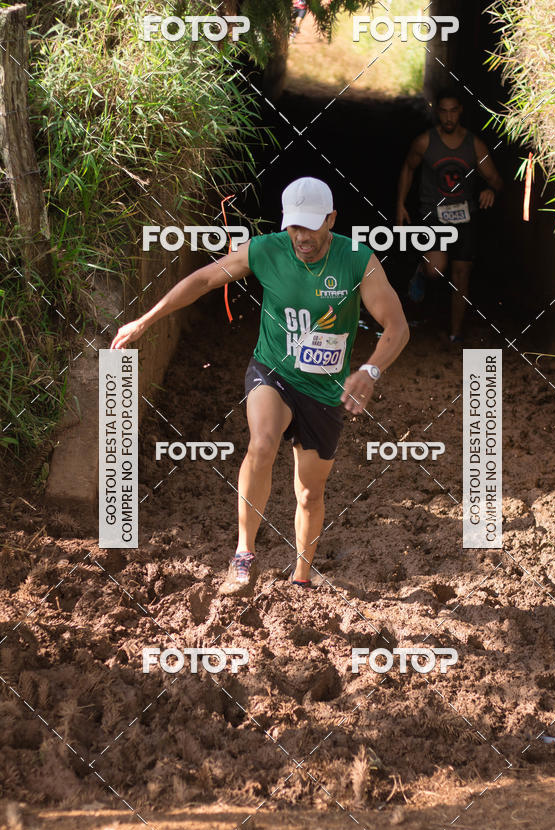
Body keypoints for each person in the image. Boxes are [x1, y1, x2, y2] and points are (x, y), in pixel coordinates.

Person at [111, 177, 409, 595]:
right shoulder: (265, 249)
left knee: (309, 492)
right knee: (263, 443)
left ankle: (302, 576)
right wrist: (146, 319)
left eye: (311, 226)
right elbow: (202, 281)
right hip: (273, 371)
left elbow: (397, 327)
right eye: (294, 227)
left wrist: (371, 370)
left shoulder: (358, 261)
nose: (302, 237)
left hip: (326, 392)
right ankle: (243, 553)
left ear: (332, 219)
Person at [396, 89, 503, 343]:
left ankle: (455, 333)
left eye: (453, 110)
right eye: (443, 111)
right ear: (437, 112)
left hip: (466, 218)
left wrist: (490, 190)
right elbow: (408, 169)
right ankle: (422, 271)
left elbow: (496, 179)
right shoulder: (425, 142)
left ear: (460, 111)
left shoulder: (474, 145)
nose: (448, 116)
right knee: (436, 269)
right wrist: (400, 204)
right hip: (434, 215)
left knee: (461, 275)